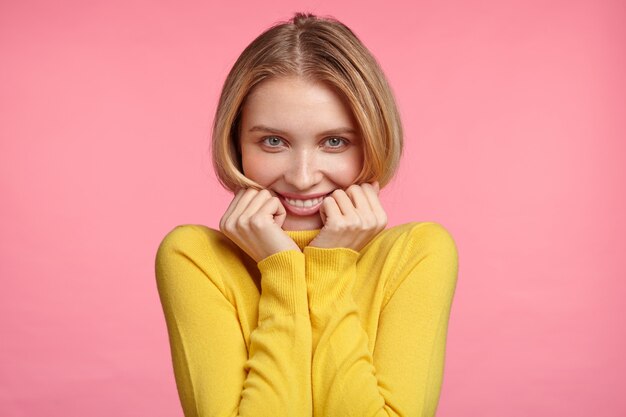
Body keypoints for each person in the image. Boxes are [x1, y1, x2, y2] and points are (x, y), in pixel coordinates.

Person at [155, 12, 458, 417]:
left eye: (334, 141)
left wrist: (328, 267)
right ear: (236, 143)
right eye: (273, 141)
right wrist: (281, 270)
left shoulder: (417, 253)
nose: (301, 178)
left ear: (372, 139)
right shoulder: (194, 256)